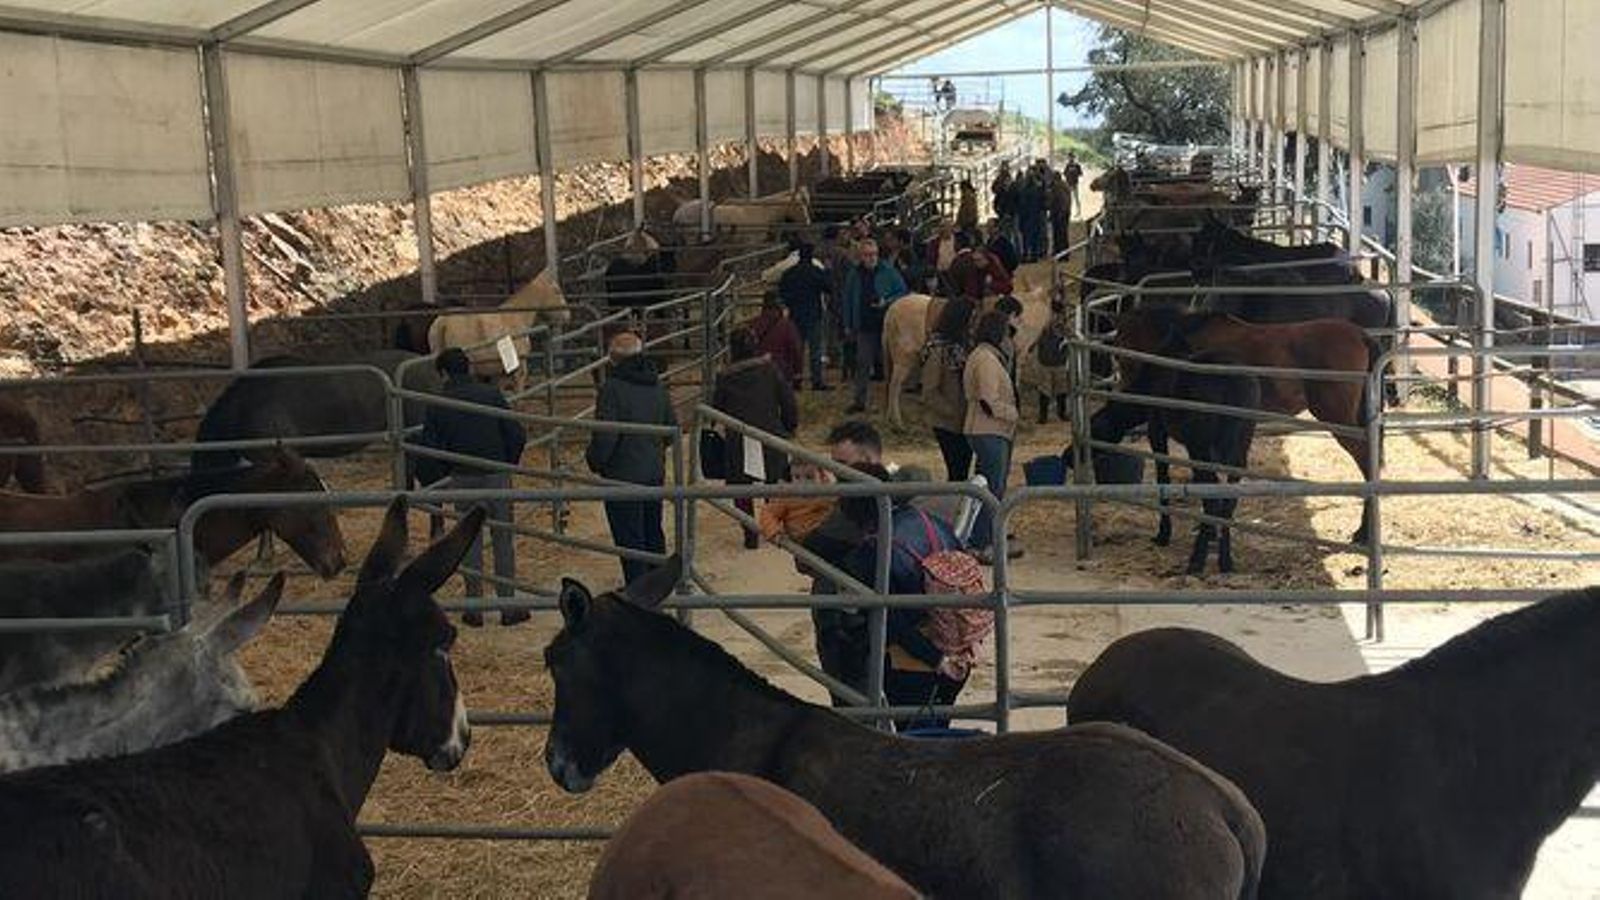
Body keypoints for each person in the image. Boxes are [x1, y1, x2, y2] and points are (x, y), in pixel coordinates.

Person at [839, 462, 975, 732]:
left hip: (914, 663)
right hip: (960, 652)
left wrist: (937, 660)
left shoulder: (872, 551)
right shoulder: (932, 521)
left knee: (913, 744)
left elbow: (893, 622)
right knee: (939, 735)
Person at [419, 348, 528, 626]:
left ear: (443, 373)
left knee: (469, 541)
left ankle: (474, 607)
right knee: (503, 539)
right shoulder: (491, 395)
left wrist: (445, 475)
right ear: (468, 368)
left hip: (462, 477)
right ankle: (508, 606)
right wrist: (507, 462)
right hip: (496, 475)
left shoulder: (437, 403)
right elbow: (515, 433)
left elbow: (431, 449)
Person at [798, 420, 884, 706]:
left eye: (843, 463)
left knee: (851, 702)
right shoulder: (904, 490)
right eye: (833, 463)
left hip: (845, 623)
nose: (836, 471)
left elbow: (806, 557)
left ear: (870, 459)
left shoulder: (854, 506)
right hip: (887, 620)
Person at [586, 332, 678, 586]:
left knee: (630, 538)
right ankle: (658, 585)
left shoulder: (612, 389)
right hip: (653, 471)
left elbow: (606, 436)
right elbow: (671, 428)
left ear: (613, 360)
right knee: (652, 530)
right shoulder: (657, 384)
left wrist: (595, 460)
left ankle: (638, 592)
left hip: (622, 475)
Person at [713, 328, 798, 549]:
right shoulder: (769, 370)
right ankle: (774, 527)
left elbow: (716, 409)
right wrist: (789, 427)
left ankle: (750, 532)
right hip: (770, 433)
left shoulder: (725, 377)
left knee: (741, 488)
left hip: (739, 436)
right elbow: (787, 400)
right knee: (773, 483)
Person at [963, 311, 1020, 564]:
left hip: (987, 429)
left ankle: (982, 538)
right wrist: (1012, 413)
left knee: (987, 487)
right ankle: (984, 542)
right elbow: (988, 398)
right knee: (993, 489)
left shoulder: (984, 355)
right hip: (989, 428)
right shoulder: (986, 359)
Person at [840, 238, 908, 414]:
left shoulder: (888, 271)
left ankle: (891, 403)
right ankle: (860, 401)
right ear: (860, 256)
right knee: (862, 364)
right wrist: (847, 324)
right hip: (864, 326)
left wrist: (886, 301)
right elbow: (847, 299)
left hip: (887, 326)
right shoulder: (854, 274)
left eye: (873, 254)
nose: (871, 258)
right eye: (867, 255)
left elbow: (903, 292)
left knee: (889, 366)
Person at [920, 297, 975, 481]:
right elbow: (929, 391)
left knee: (963, 470)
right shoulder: (938, 350)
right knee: (957, 472)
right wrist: (953, 411)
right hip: (947, 422)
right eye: (972, 317)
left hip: (964, 420)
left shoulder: (964, 347)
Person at [776, 242, 832, 390]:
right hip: (814, 313)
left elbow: (781, 292)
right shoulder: (816, 271)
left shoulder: (790, 273)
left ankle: (796, 380)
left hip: (795, 314)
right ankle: (817, 380)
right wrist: (828, 271)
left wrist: (789, 303)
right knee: (815, 350)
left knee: (796, 349)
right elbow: (829, 287)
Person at [757, 460, 835, 545]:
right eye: (797, 477)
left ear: (822, 477)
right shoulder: (787, 496)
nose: (803, 483)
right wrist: (774, 532)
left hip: (825, 535)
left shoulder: (827, 494)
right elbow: (769, 512)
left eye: (809, 477)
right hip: (802, 538)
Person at [750, 290, 804, 389]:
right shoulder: (787, 325)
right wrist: (798, 373)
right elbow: (796, 350)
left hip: (759, 371)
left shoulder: (754, 324)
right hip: (782, 371)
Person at [1035, 296, 1072, 424]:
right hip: (1049, 360)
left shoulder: (1061, 323)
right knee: (1047, 388)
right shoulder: (1045, 322)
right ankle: (1045, 415)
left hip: (1055, 360)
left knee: (1059, 388)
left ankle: (1056, 414)